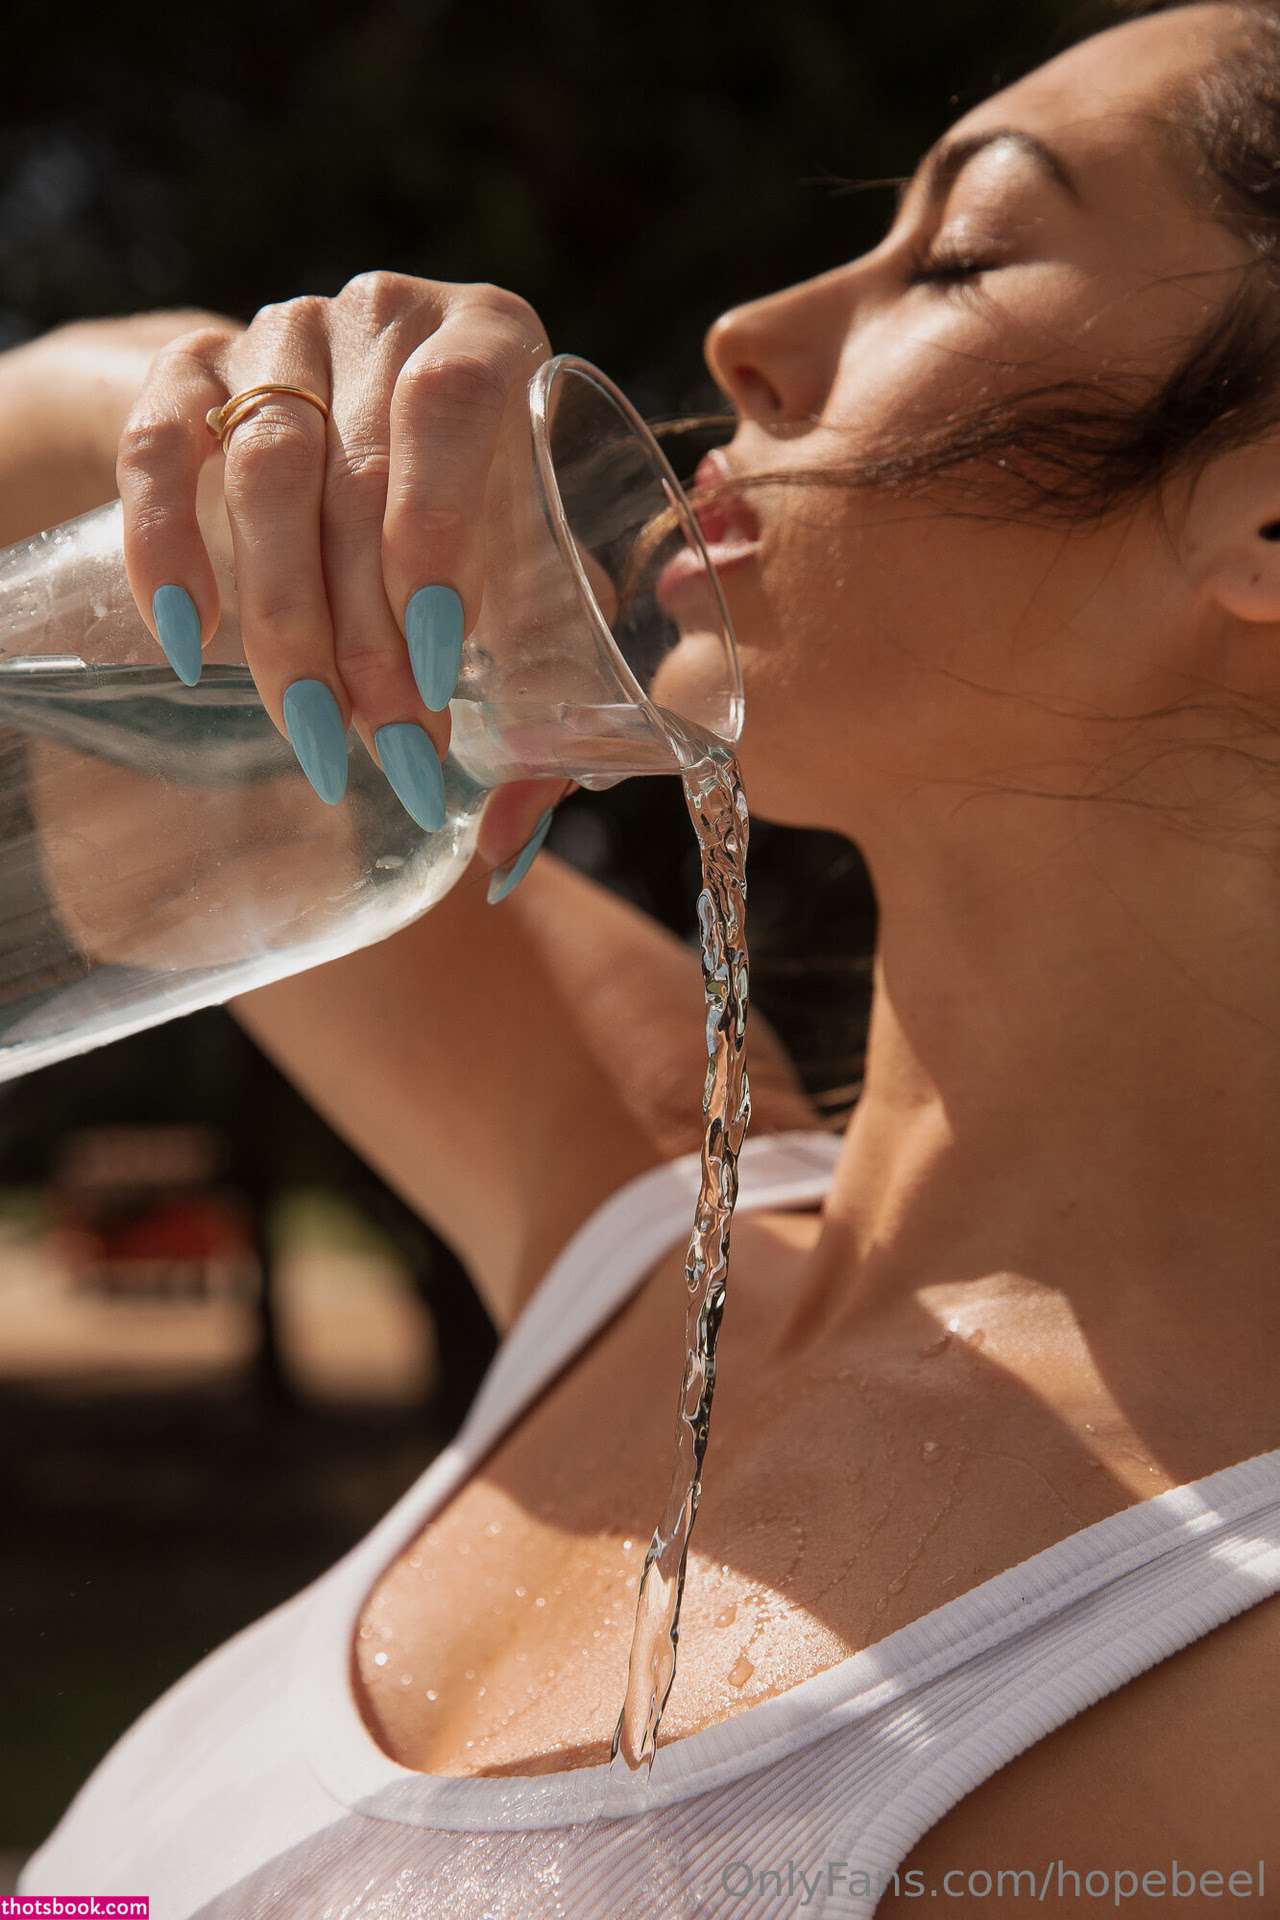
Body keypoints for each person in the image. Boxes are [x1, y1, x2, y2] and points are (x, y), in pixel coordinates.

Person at [11, 0, 1280, 1910]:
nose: (746, 336)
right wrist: (284, 416)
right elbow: (40, 450)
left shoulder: (1223, 1685)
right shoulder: (645, 1215)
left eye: (963, 250)